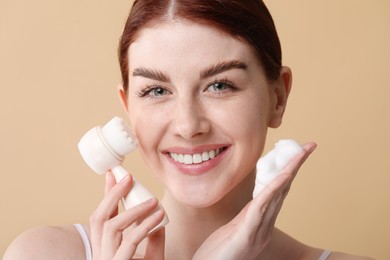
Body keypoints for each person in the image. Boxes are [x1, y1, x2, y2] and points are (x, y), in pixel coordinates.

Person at [4, 1, 372, 259]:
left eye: (220, 85)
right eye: (156, 91)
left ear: (278, 97)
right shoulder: (44, 254)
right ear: (128, 107)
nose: (188, 125)